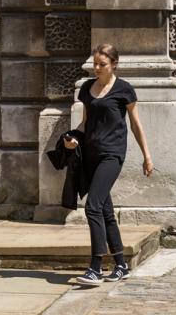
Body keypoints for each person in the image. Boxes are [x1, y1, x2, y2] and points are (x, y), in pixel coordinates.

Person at [64, 44, 154, 286]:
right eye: (95, 63)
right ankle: (121, 265)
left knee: (92, 206)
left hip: (112, 155)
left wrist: (147, 156)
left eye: (102, 64)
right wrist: (74, 139)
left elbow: (135, 124)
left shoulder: (124, 89)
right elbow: (84, 123)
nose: (96, 68)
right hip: (90, 155)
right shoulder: (86, 89)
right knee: (104, 210)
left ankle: (95, 267)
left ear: (114, 64)